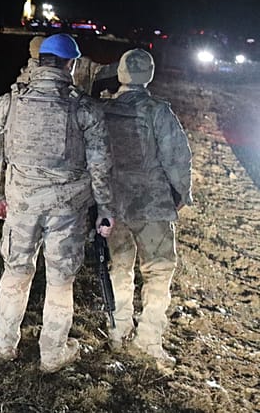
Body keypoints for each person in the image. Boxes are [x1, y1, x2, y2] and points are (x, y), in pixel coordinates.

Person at [0, 33, 115, 373]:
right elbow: (101, 165)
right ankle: (52, 354)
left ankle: (6, 344)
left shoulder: (9, 102)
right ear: (71, 65)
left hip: (21, 205)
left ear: (40, 62)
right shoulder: (84, 107)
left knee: (15, 273)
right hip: (67, 211)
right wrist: (105, 210)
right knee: (59, 281)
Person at [99, 48, 193, 373]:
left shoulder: (104, 110)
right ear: (148, 75)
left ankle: (118, 329)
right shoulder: (158, 111)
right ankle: (149, 340)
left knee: (119, 267)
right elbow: (178, 158)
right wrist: (183, 193)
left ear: (122, 73)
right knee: (159, 271)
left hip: (114, 202)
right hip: (152, 205)